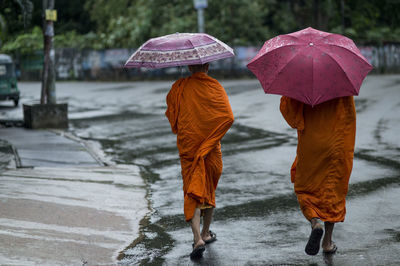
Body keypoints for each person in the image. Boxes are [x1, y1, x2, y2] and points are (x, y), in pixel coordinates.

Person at [165, 63, 234, 259]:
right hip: (210, 150)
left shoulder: (178, 87)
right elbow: (228, 117)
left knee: (192, 191)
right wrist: (211, 139)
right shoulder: (215, 86)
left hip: (188, 147)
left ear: (188, 67)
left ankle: (197, 239)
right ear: (208, 65)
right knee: (208, 189)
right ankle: (205, 232)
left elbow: (173, 117)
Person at [280, 95, 356, 256]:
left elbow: (292, 117)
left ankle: (315, 222)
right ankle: (327, 243)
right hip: (338, 143)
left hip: (312, 143)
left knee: (305, 188)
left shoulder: (302, 83)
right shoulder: (342, 87)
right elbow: (349, 119)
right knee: (332, 191)